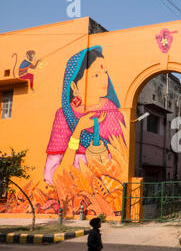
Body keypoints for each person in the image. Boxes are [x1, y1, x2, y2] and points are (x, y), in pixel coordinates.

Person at [44, 46, 125, 185]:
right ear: (74, 86)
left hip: (105, 188)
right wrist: (78, 129)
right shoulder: (64, 115)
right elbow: (53, 175)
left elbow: (121, 163)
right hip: (72, 186)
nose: (104, 79)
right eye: (96, 75)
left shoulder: (114, 113)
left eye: (105, 72)